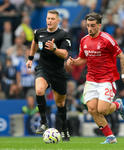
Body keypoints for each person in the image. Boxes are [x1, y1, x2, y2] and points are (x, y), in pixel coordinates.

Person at [67, 12, 124, 144]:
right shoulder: (84, 40)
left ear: (99, 25)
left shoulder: (107, 39)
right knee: (92, 110)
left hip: (106, 79)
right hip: (91, 80)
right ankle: (110, 137)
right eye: (88, 26)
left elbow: (122, 56)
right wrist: (73, 61)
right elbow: (83, 59)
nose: (90, 28)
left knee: (103, 110)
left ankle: (117, 104)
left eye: (93, 26)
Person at [25, 10, 71, 141]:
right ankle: (43, 123)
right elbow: (34, 42)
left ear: (58, 21)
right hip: (43, 69)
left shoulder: (63, 35)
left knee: (60, 103)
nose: (49, 21)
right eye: (48, 18)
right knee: (39, 90)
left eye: (52, 19)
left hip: (58, 72)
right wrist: (30, 58)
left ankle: (64, 128)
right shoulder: (39, 32)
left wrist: (54, 49)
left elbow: (65, 54)